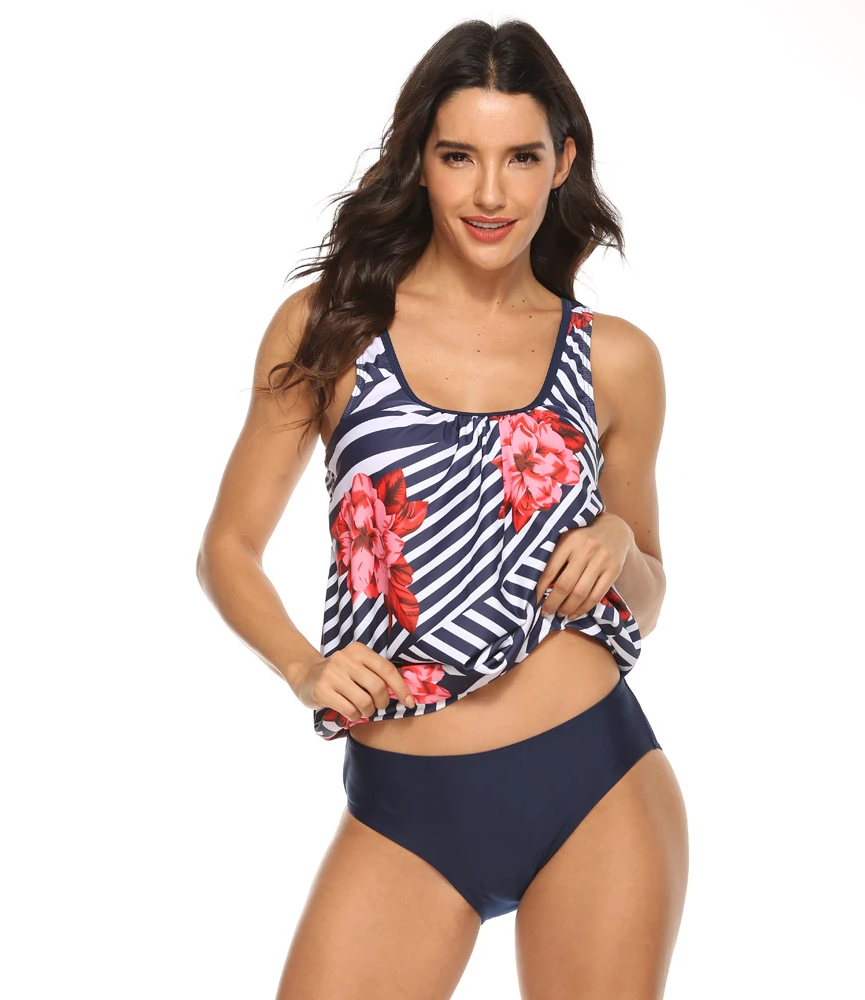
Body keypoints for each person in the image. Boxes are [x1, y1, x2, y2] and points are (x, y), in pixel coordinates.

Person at [196, 18, 688, 1000]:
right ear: (420, 159)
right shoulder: (332, 328)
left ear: (562, 163)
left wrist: (616, 542)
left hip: (596, 780)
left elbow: (648, 592)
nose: (490, 193)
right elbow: (228, 549)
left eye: (521, 158)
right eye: (460, 156)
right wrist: (303, 666)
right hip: (405, 805)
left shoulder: (615, 358)